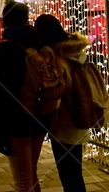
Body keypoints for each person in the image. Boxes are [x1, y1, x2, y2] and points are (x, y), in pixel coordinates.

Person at [0, 1, 45, 192]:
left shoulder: (6, 49)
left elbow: (4, 92)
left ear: (5, 19)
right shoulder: (39, 44)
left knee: (22, 180)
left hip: (17, 119)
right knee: (31, 173)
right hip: (40, 115)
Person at [35, 14, 91, 192]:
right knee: (74, 171)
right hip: (80, 113)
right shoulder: (77, 52)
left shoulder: (55, 57)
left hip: (63, 119)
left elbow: (55, 90)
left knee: (68, 174)